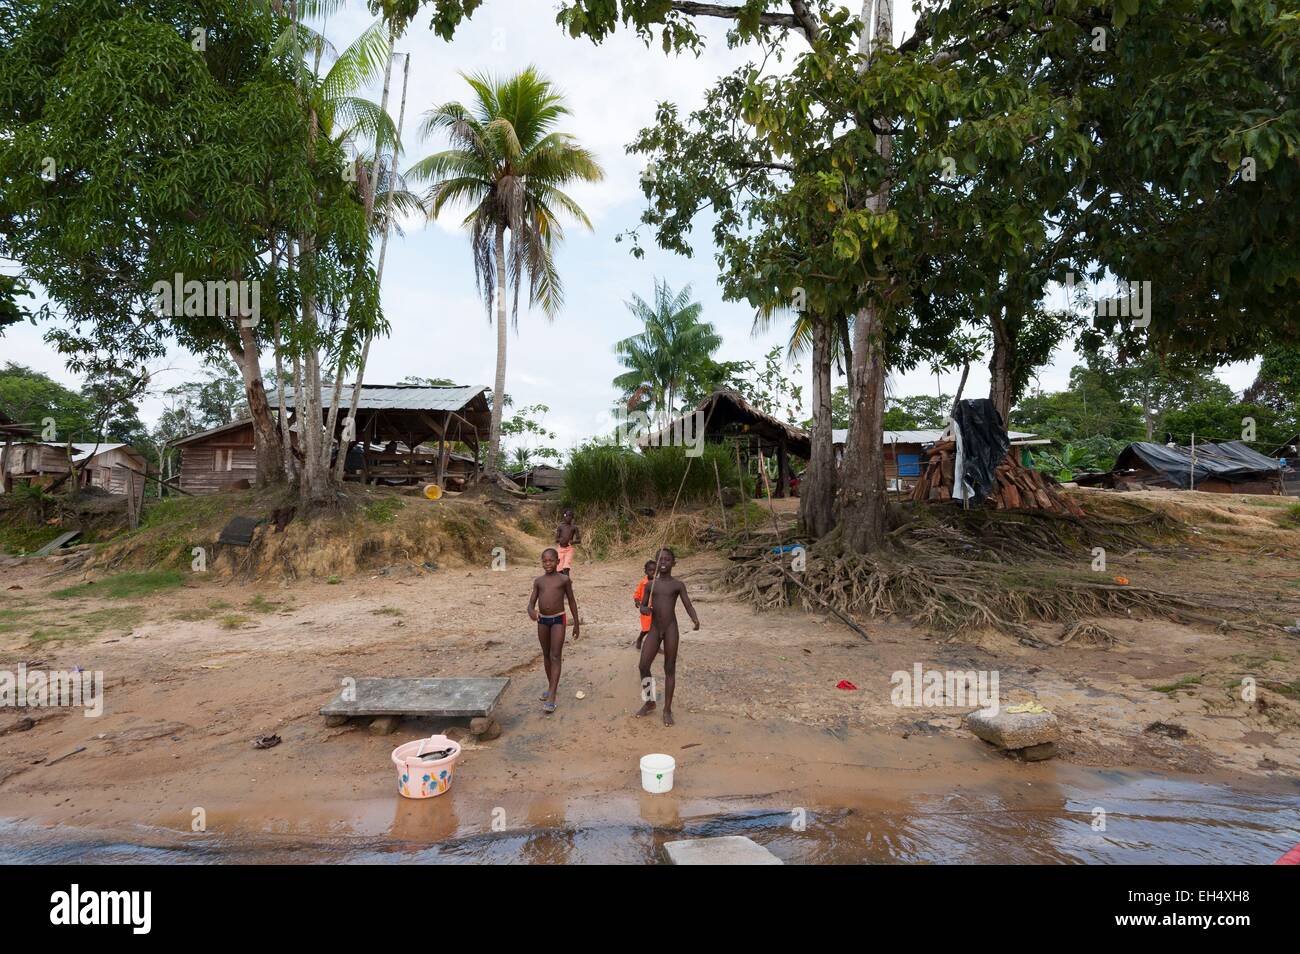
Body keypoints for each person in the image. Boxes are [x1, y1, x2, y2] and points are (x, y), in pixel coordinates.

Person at [636, 547, 699, 726]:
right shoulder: (650, 585)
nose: (663, 562)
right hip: (655, 629)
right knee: (643, 665)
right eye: (660, 560)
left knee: (669, 668)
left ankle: (667, 709)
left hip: (671, 628)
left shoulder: (678, 585)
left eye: (667, 560)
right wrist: (645, 609)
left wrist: (695, 619)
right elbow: (642, 606)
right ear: (656, 563)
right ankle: (650, 701)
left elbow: (688, 604)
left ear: (673, 563)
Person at [527, 547, 580, 713]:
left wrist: (576, 623)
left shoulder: (564, 580)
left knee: (555, 655)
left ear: (558, 562)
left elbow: (571, 601)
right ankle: (551, 687)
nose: (547, 563)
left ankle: (552, 696)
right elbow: (530, 604)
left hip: (558, 619)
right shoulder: (539, 581)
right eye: (545, 561)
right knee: (546, 654)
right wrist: (532, 612)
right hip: (542, 620)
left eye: (551, 560)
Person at [633, 559, 657, 650]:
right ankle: (640, 638)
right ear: (646, 571)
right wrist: (637, 601)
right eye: (650, 570)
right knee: (647, 628)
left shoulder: (657, 582)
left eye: (654, 570)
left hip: (656, 609)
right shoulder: (643, 583)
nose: (652, 572)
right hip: (645, 609)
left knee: (656, 628)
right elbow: (636, 594)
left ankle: (655, 646)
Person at [555, 508, 581, 575]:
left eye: (570, 516)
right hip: (560, 549)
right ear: (564, 516)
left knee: (566, 568)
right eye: (567, 515)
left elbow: (579, 540)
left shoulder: (574, 527)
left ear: (572, 517)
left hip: (569, 549)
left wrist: (573, 542)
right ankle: (562, 583)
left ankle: (567, 582)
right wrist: (560, 540)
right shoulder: (560, 526)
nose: (568, 517)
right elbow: (556, 539)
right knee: (559, 569)